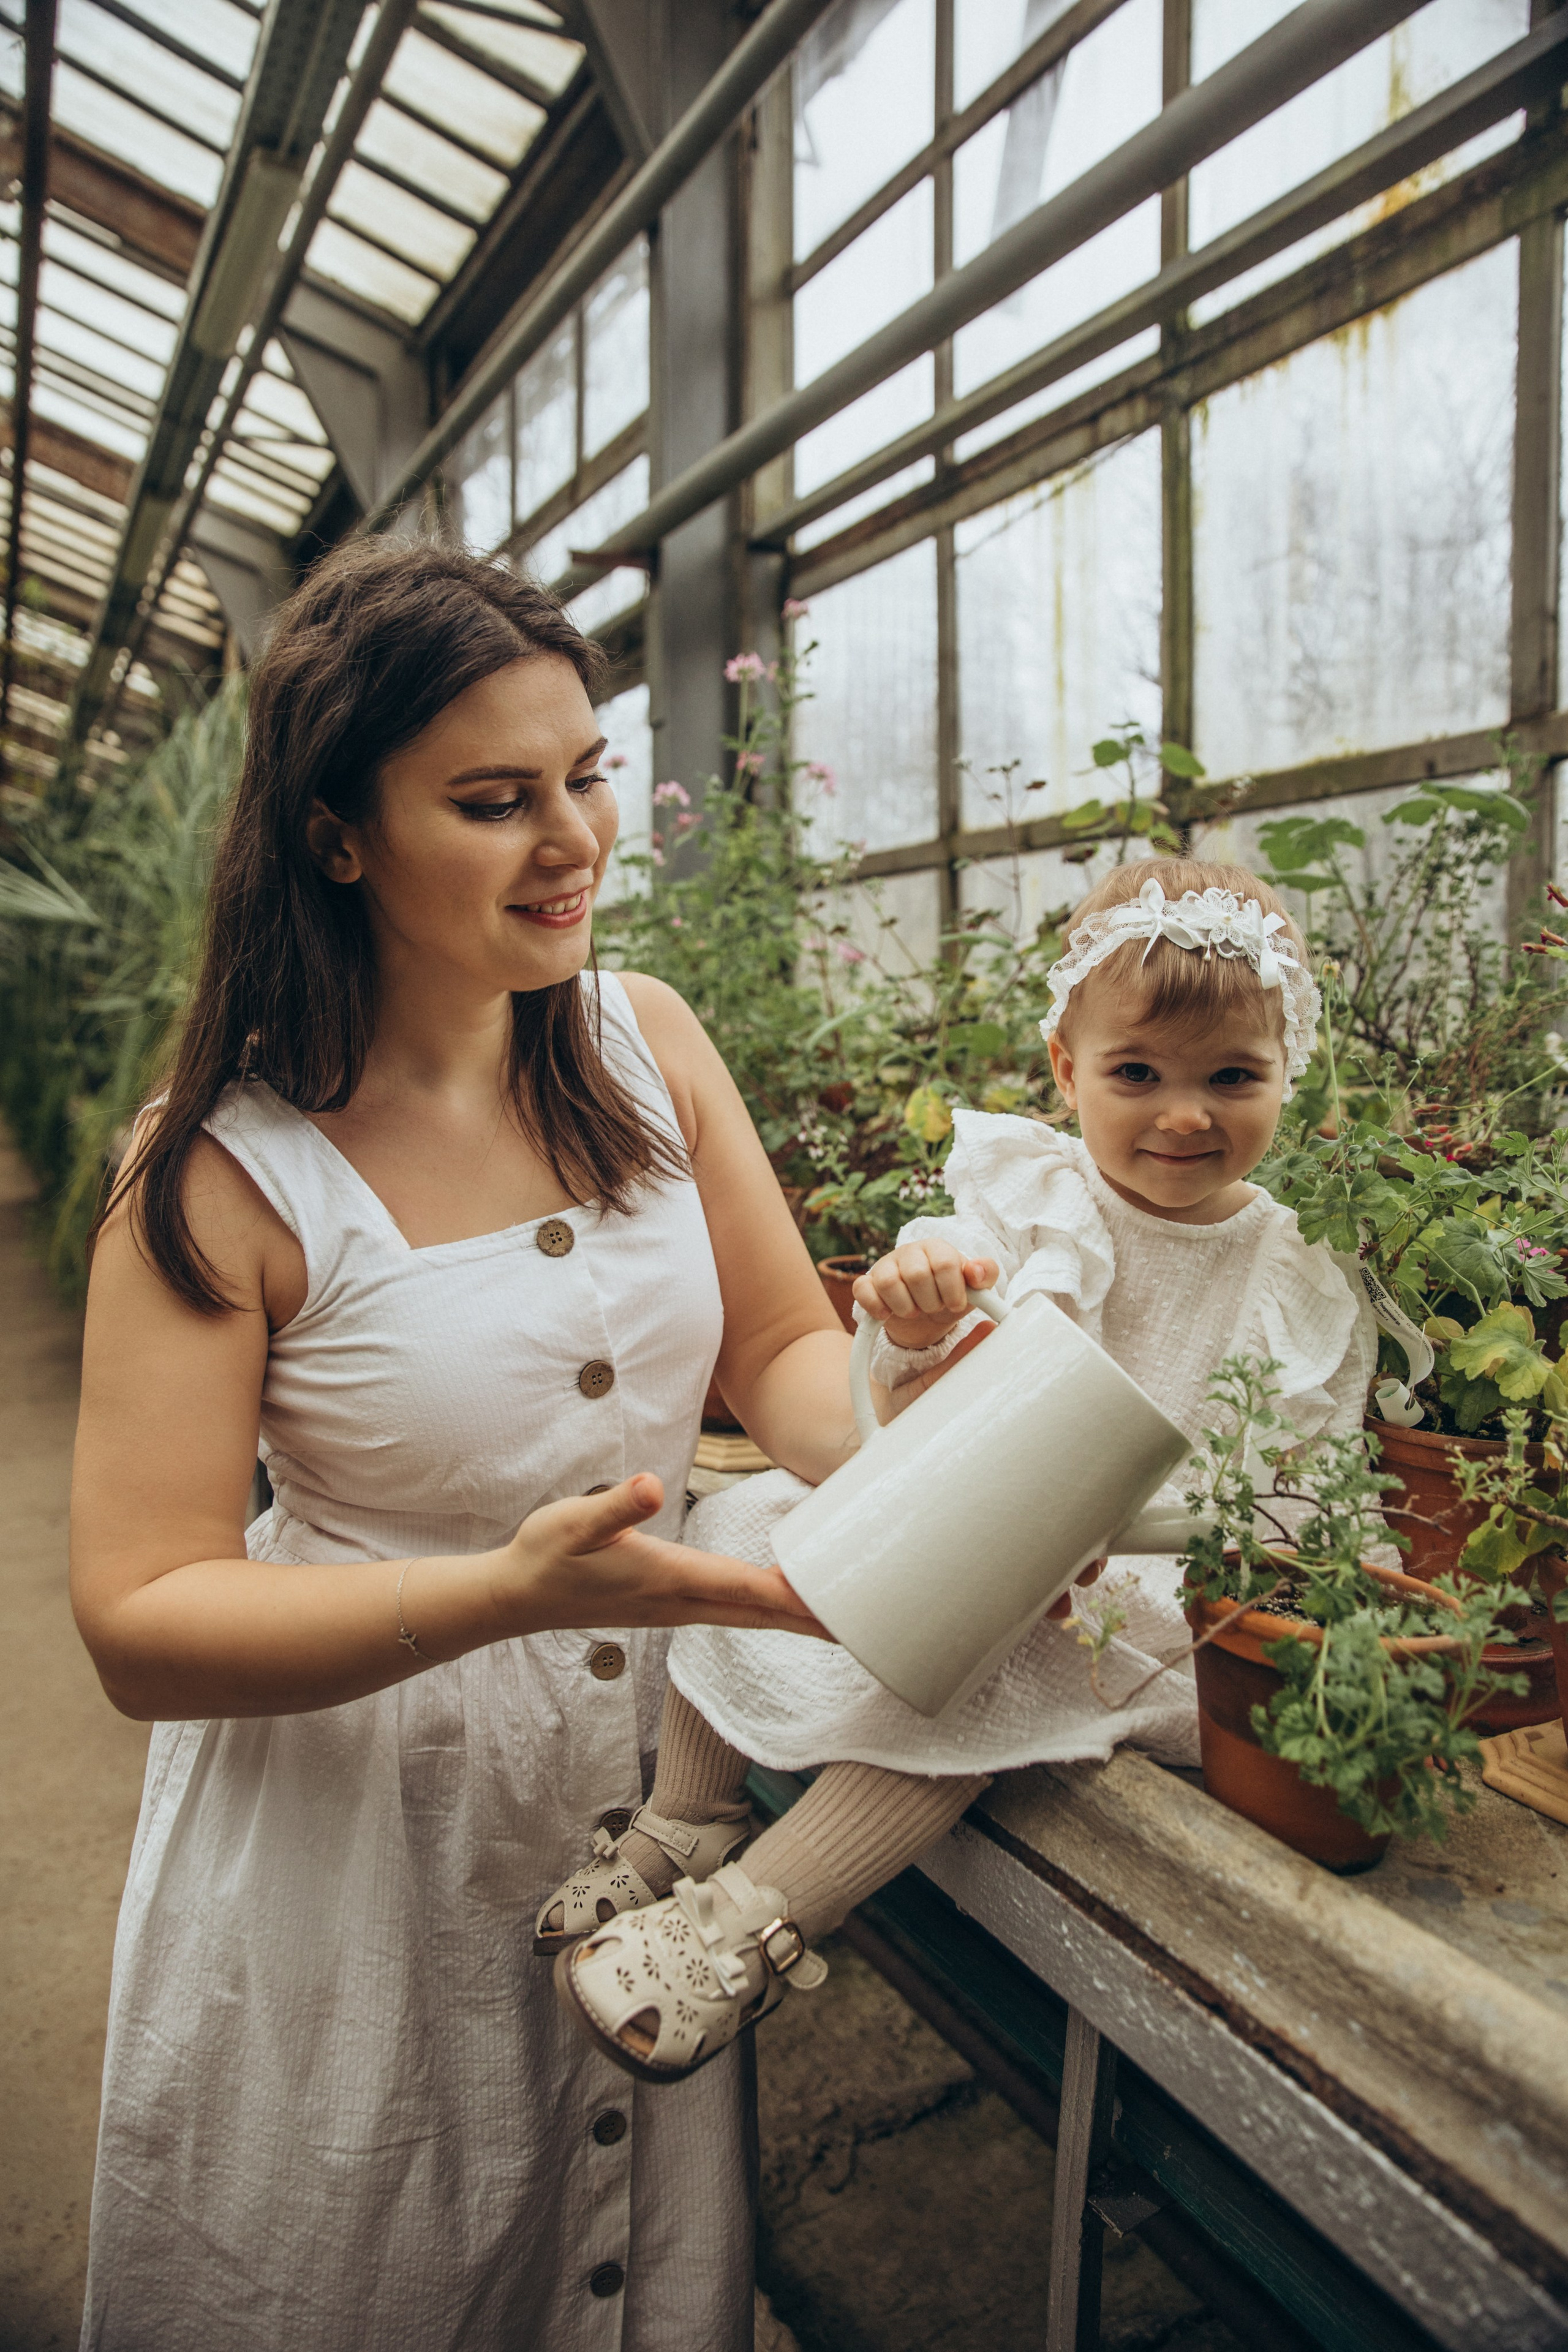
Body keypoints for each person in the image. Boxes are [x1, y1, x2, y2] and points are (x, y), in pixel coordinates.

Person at [69, 540, 859, 2351]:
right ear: (339, 833)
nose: (574, 837)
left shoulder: (644, 1040)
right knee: (377, 2261)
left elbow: (782, 1342)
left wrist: (901, 1439)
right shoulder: (219, 1163)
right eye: (494, 801)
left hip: (649, 1805)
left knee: (620, 2278)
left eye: (584, 774)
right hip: (363, 1844)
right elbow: (139, 1617)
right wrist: (502, 1593)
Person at [545, 861, 1378, 2081]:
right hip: (978, 1515)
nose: (1184, 1115)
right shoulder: (1031, 1196)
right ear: (1065, 1068)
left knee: (1003, 1647)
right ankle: (685, 1808)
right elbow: (895, 1374)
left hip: (1139, 1578)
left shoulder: (1289, 1272)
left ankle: (760, 1917)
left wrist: (1099, 1527)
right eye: (1135, 1074)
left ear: (1285, 1073)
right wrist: (914, 1318)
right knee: (742, 1517)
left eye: (1231, 1078)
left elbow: (1287, 1494)